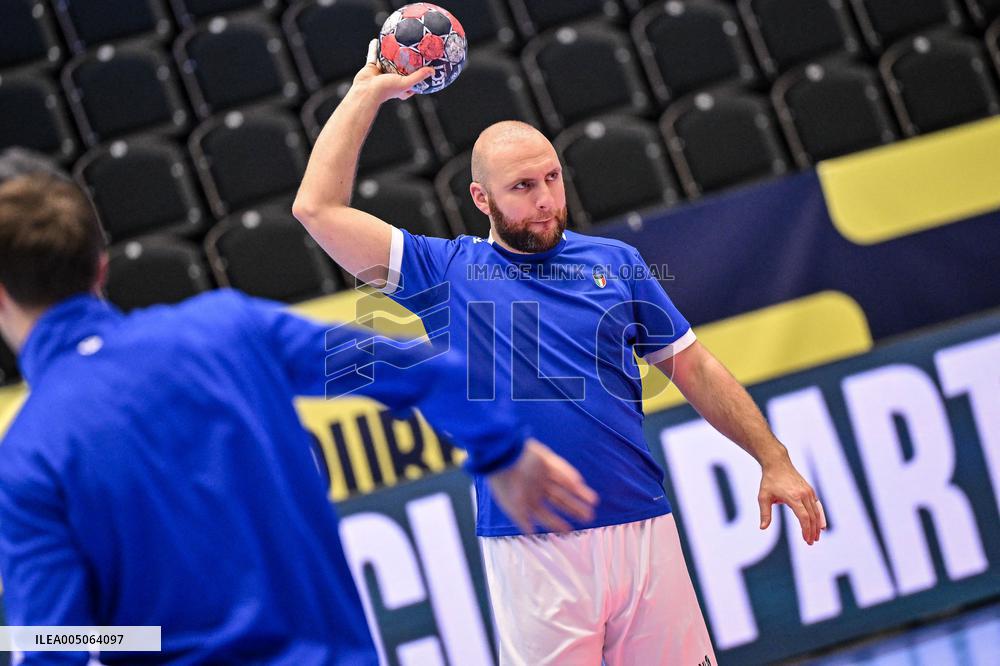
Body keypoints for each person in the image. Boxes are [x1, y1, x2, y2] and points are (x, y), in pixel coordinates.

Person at [291, 42, 827, 665]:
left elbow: (696, 368)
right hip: (532, 547)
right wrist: (368, 93)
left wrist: (773, 457)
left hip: (643, 525)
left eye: (551, 178)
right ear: (482, 199)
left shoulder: (616, 264)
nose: (545, 198)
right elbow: (316, 209)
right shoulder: (445, 272)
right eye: (522, 186)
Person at [0, 172, 598, 665]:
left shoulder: (28, 454)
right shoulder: (230, 331)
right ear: (100, 266)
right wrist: (502, 452)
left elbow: (56, 648)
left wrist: (135, 639)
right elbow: (406, 369)